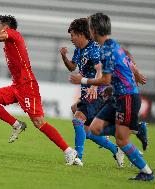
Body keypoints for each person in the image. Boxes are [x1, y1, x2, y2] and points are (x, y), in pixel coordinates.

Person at [0, 15, 77, 165]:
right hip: (16, 85)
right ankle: (16, 124)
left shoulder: (13, 34)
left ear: (6, 27)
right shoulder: (9, 40)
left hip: (27, 85)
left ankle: (68, 151)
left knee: (38, 122)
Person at [69, 12, 154, 181]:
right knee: (93, 129)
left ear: (94, 30)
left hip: (126, 96)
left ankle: (147, 172)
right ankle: (135, 128)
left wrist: (83, 79)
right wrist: (136, 72)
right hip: (116, 96)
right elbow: (127, 59)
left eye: (90, 27)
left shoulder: (106, 51)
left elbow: (105, 79)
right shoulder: (110, 46)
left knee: (121, 140)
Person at [59, 18, 124, 167]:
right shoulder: (79, 50)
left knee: (77, 119)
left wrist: (94, 87)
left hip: (97, 93)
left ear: (82, 34)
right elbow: (72, 67)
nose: (71, 39)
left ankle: (77, 157)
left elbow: (100, 69)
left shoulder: (94, 48)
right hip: (88, 92)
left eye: (73, 35)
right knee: (87, 130)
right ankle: (116, 149)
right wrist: (64, 56)